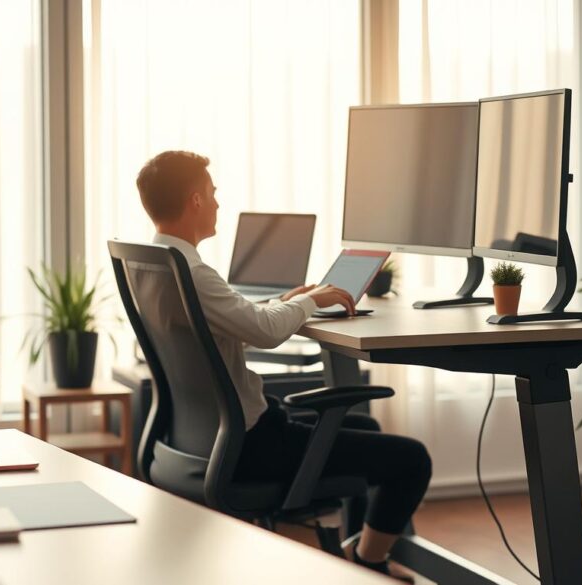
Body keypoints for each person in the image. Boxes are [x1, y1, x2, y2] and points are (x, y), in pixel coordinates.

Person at [134, 150, 431, 581]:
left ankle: (353, 555)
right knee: (411, 459)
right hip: (251, 448)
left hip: (196, 443)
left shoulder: (154, 265)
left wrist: (286, 302)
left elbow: (237, 318)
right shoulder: (195, 273)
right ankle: (370, 565)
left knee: (366, 432)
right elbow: (266, 333)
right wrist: (311, 301)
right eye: (213, 193)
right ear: (195, 200)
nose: (218, 202)